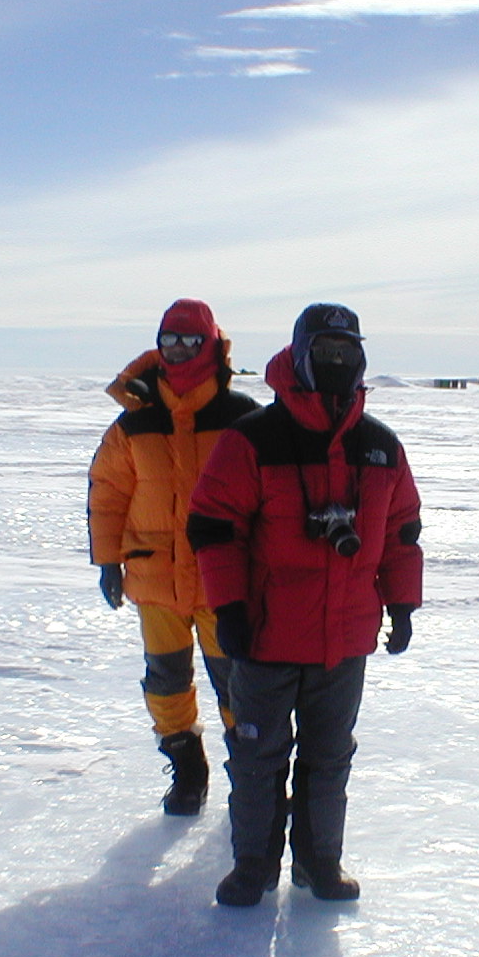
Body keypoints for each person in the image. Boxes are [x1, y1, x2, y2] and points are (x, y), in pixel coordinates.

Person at [188, 303, 423, 906]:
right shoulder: (252, 440)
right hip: (264, 638)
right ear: (300, 356)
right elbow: (213, 527)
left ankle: (320, 864)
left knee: (329, 758)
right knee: (256, 757)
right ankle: (253, 867)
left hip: (344, 642)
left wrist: (402, 605)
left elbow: (401, 534)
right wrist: (229, 609)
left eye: (348, 351)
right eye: (325, 350)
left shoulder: (381, 448)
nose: (337, 362)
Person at [87, 299, 260, 815]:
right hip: (154, 577)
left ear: (211, 345)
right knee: (165, 680)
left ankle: (250, 774)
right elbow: (108, 493)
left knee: (238, 684)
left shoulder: (242, 417)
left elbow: (268, 497)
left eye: (190, 340)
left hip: (223, 581)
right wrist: (108, 560)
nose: (179, 349)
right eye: (170, 340)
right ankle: (187, 769)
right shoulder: (134, 423)